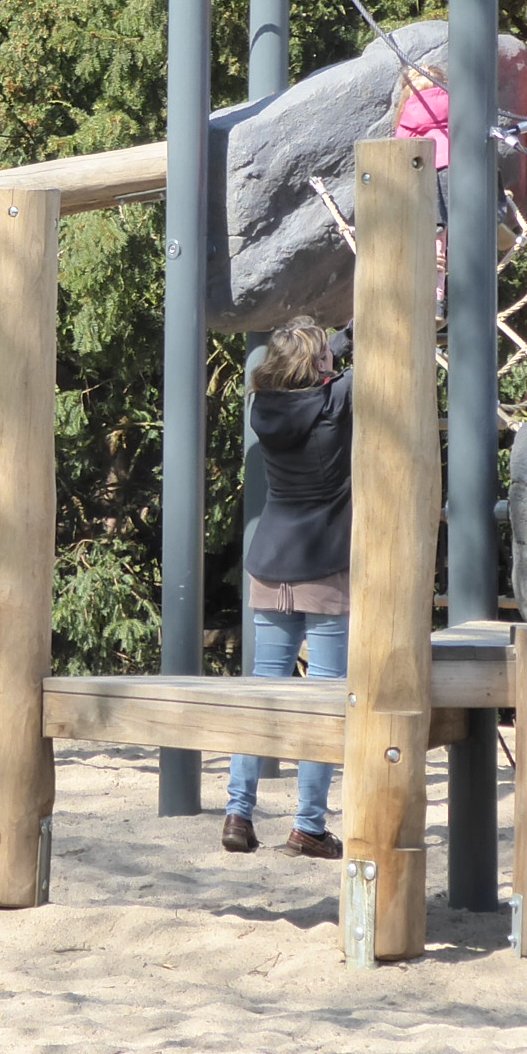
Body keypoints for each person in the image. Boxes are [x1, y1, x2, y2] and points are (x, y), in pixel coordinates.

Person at [223, 316, 352, 860]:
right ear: (318, 364)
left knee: (263, 690)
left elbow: (326, 362)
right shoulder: (335, 402)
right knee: (323, 699)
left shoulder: (264, 406)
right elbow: (379, 353)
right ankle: (307, 827)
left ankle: (238, 812)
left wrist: (336, 340)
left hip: (270, 560)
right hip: (324, 561)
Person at [393, 58, 451, 313]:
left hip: (426, 181)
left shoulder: (408, 118)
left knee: (434, 242)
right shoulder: (455, 109)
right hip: (457, 174)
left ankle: (435, 302)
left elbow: (400, 155)